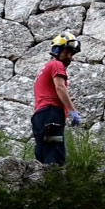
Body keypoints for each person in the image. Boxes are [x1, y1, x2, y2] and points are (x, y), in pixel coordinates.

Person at [32, 32, 82, 165]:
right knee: (54, 154)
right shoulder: (56, 65)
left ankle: (42, 183)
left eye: (72, 54)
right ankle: (55, 181)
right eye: (68, 52)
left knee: (42, 153)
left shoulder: (43, 68)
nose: (70, 57)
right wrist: (72, 111)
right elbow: (60, 87)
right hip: (51, 114)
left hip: (39, 116)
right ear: (58, 50)